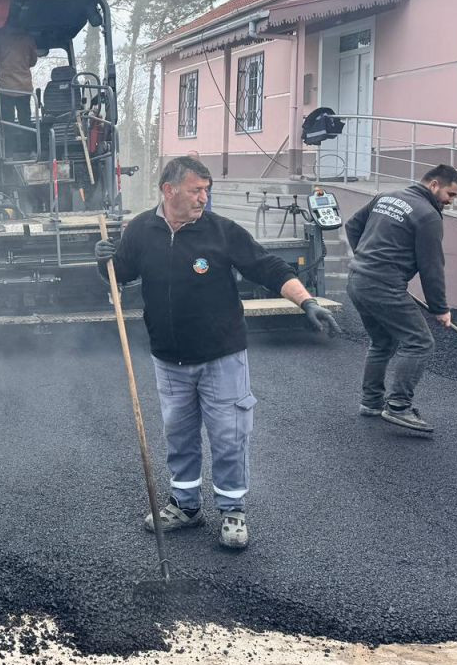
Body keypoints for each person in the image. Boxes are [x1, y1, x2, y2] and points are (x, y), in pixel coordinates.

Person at [95, 156, 339, 550]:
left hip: (221, 356)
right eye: (196, 190)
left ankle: (232, 510)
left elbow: (268, 267)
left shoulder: (221, 232)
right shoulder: (141, 230)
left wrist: (306, 301)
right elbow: (118, 273)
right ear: (169, 190)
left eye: (206, 191)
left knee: (229, 434)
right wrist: (102, 257)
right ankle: (186, 505)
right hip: (169, 358)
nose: (203, 198)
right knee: (180, 434)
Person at [344, 164, 457, 434]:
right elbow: (432, 266)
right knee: (420, 342)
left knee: (383, 341)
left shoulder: (385, 197)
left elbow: (352, 226)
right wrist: (440, 308)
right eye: (450, 194)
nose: (450, 202)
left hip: (358, 281)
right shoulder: (427, 216)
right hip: (381, 286)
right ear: (434, 185)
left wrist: (365, 261)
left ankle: (371, 402)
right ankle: (398, 405)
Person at [0, 25, 38, 129]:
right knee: (25, 121)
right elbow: (33, 61)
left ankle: (9, 143)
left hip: (6, 87)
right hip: (24, 87)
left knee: (7, 121)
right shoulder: (28, 39)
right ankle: (28, 143)